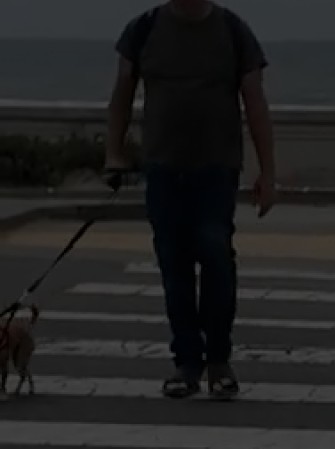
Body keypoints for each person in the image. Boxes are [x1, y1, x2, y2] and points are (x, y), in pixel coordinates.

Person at [104, 0, 277, 400]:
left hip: (216, 169)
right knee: (174, 265)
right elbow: (121, 96)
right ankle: (186, 361)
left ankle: (218, 359)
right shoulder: (144, 29)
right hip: (163, 169)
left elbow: (255, 103)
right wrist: (113, 153)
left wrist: (267, 173)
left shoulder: (233, 31)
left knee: (216, 256)